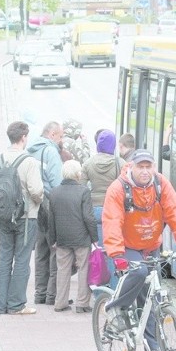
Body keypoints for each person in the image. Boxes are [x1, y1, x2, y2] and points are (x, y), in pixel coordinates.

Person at [102, 149, 176, 351]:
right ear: (131, 167)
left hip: (151, 245)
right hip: (127, 246)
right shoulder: (118, 189)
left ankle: (153, 346)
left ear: (154, 167)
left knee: (152, 295)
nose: (145, 171)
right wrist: (117, 253)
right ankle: (116, 308)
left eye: (148, 166)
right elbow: (112, 222)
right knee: (139, 272)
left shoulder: (160, 185)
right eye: (140, 167)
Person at [0, 121, 43, 315]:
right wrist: (37, 201)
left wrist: (3, 202)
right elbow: (36, 190)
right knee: (22, 259)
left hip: (4, 218)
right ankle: (17, 304)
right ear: (24, 138)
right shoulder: (30, 162)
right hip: (26, 218)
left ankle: (2, 304)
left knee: (5, 258)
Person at [49, 160, 98, 313]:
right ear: (78, 174)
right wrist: (94, 238)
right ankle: (82, 303)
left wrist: (53, 239)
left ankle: (60, 303)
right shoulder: (83, 191)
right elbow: (88, 217)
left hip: (62, 238)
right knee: (84, 268)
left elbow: (52, 219)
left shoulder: (54, 192)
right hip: (81, 238)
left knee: (62, 269)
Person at [81, 129, 125, 288]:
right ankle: (114, 287)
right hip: (113, 211)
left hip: (94, 210)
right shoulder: (120, 163)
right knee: (113, 250)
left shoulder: (88, 163)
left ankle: (98, 287)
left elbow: (82, 188)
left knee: (98, 251)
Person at [27, 121, 64, 305]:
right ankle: (52, 295)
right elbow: (56, 182)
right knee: (55, 249)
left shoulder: (30, 150)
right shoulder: (51, 152)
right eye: (60, 136)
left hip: (35, 205)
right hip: (50, 204)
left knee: (40, 249)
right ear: (52, 135)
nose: (61, 140)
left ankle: (39, 293)